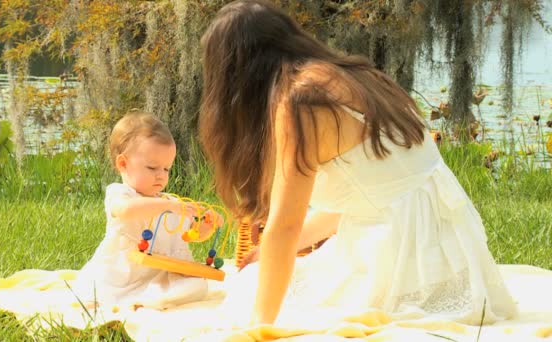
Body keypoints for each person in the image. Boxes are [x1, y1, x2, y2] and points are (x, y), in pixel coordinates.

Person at [199, 0, 517, 326]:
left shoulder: (301, 99)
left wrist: (259, 325)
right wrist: (269, 254)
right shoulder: (352, 74)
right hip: (449, 253)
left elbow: (285, 224)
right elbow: (375, 192)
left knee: (248, 294)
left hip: (406, 257)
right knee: (263, 276)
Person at [72, 110, 219, 310]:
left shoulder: (171, 202)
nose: (161, 176)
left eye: (167, 169)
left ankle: (145, 301)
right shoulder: (121, 194)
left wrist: (207, 225)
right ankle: (130, 300)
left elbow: (191, 234)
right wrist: (169, 206)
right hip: (120, 277)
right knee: (96, 291)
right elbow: (126, 211)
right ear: (123, 164)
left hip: (159, 278)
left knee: (199, 286)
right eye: (152, 168)